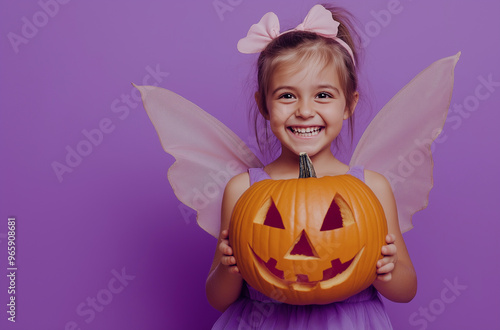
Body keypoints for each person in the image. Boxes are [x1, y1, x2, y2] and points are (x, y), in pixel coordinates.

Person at [205, 4, 417, 329]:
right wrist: (228, 269)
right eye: (287, 96)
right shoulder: (243, 189)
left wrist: (388, 271)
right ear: (264, 104)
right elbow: (218, 298)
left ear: (349, 104)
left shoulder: (371, 187)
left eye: (323, 95)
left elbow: (406, 290)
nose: (305, 111)